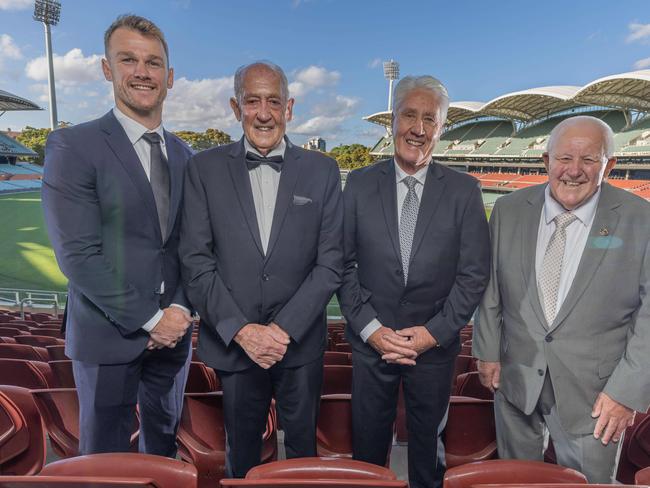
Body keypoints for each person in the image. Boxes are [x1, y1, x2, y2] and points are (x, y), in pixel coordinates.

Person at [180, 61, 343, 478]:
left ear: (289, 107)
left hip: (300, 345)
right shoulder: (203, 168)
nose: (264, 113)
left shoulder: (322, 170)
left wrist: (283, 330)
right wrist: (243, 331)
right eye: (253, 101)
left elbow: (330, 264)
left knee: (303, 452)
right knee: (241, 452)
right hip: (236, 345)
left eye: (273, 101)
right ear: (237, 108)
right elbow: (196, 262)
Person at [42, 14, 193, 456]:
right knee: (105, 459)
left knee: (163, 448)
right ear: (108, 69)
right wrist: (152, 319)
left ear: (170, 77)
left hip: (174, 337)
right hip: (108, 337)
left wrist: (180, 310)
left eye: (154, 62)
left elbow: (194, 247)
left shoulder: (187, 156)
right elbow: (77, 254)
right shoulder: (74, 145)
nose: (143, 72)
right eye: (128, 59)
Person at [474, 115, 650, 483]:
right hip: (514, 379)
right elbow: (492, 287)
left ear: (610, 165)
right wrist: (488, 350)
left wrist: (624, 393)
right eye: (564, 158)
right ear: (546, 161)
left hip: (597, 396)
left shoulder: (641, 219)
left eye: (589, 160)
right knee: (517, 481)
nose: (574, 171)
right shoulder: (508, 210)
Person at [337, 75, 490, 488]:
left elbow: (473, 276)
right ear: (393, 121)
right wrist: (371, 330)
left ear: (441, 129)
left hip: (434, 349)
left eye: (430, 119)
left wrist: (430, 334)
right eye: (409, 115)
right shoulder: (359, 185)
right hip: (372, 346)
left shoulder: (464, 191)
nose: (418, 129)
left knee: (429, 452)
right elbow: (342, 265)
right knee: (367, 448)